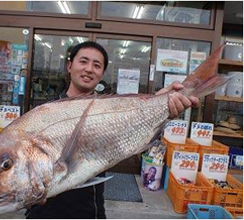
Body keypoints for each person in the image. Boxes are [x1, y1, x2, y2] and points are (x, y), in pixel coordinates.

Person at [25, 41, 199, 219]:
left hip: (89, 211)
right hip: (43, 212)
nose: (89, 69)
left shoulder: (107, 109)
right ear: (70, 66)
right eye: (83, 61)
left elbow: (133, 122)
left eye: (96, 65)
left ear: (101, 74)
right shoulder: (44, 112)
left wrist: (161, 103)